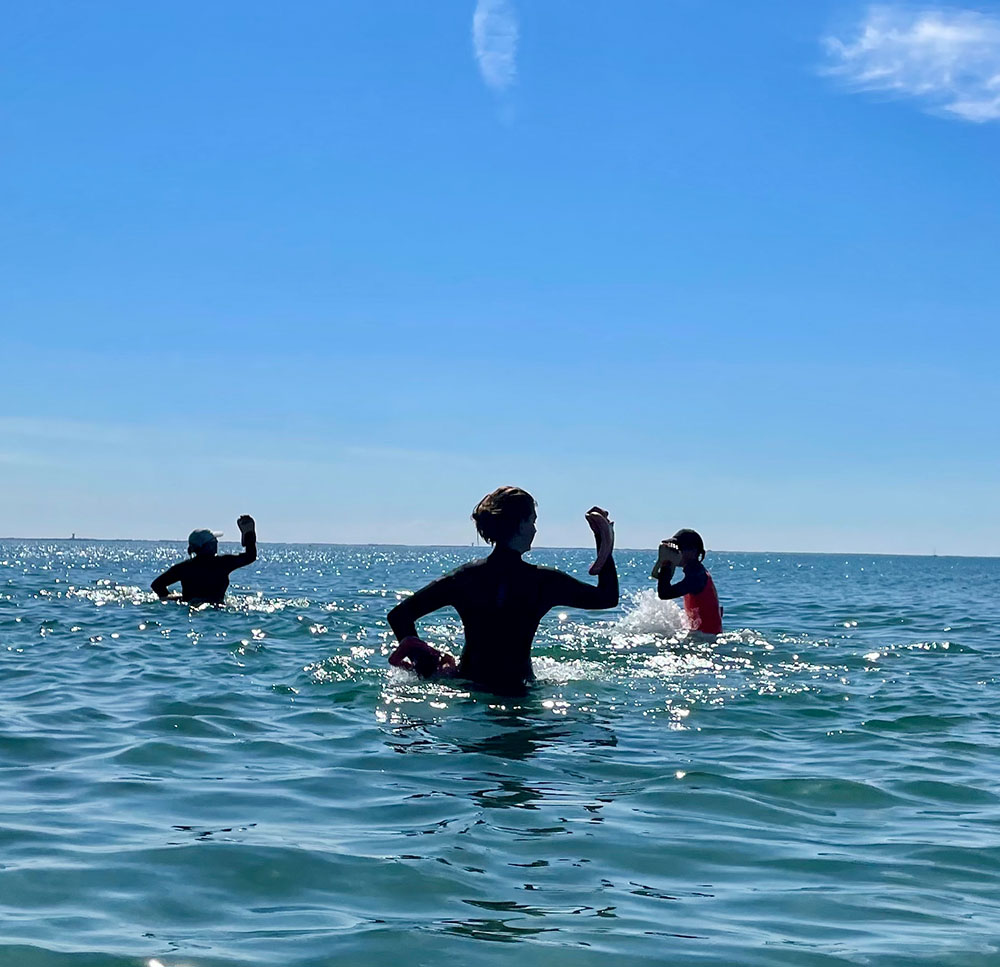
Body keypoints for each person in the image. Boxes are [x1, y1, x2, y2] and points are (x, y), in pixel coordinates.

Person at [386, 486, 618, 694]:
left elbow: (398, 616)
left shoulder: (464, 577)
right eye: (532, 521)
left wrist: (423, 664)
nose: (535, 530)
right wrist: (604, 538)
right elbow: (607, 598)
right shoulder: (542, 581)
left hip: (468, 689)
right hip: (518, 691)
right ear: (518, 525)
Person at [151, 515, 257, 604]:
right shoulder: (223, 563)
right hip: (216, 610)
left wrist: (172, 599)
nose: (216, 542)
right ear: (209, 546)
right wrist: (249, 533)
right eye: (214, 540)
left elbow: (157, 585)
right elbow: (250, 556)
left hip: (190, 607)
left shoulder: (184, 567)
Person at [651, 528, 723, 634]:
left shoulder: (697, 577)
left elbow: (664, 593)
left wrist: (666, 565)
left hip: (706, 639)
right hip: (704, 637)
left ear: (693, 551)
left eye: (679, 548)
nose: (675, 552)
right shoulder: (697, 573)